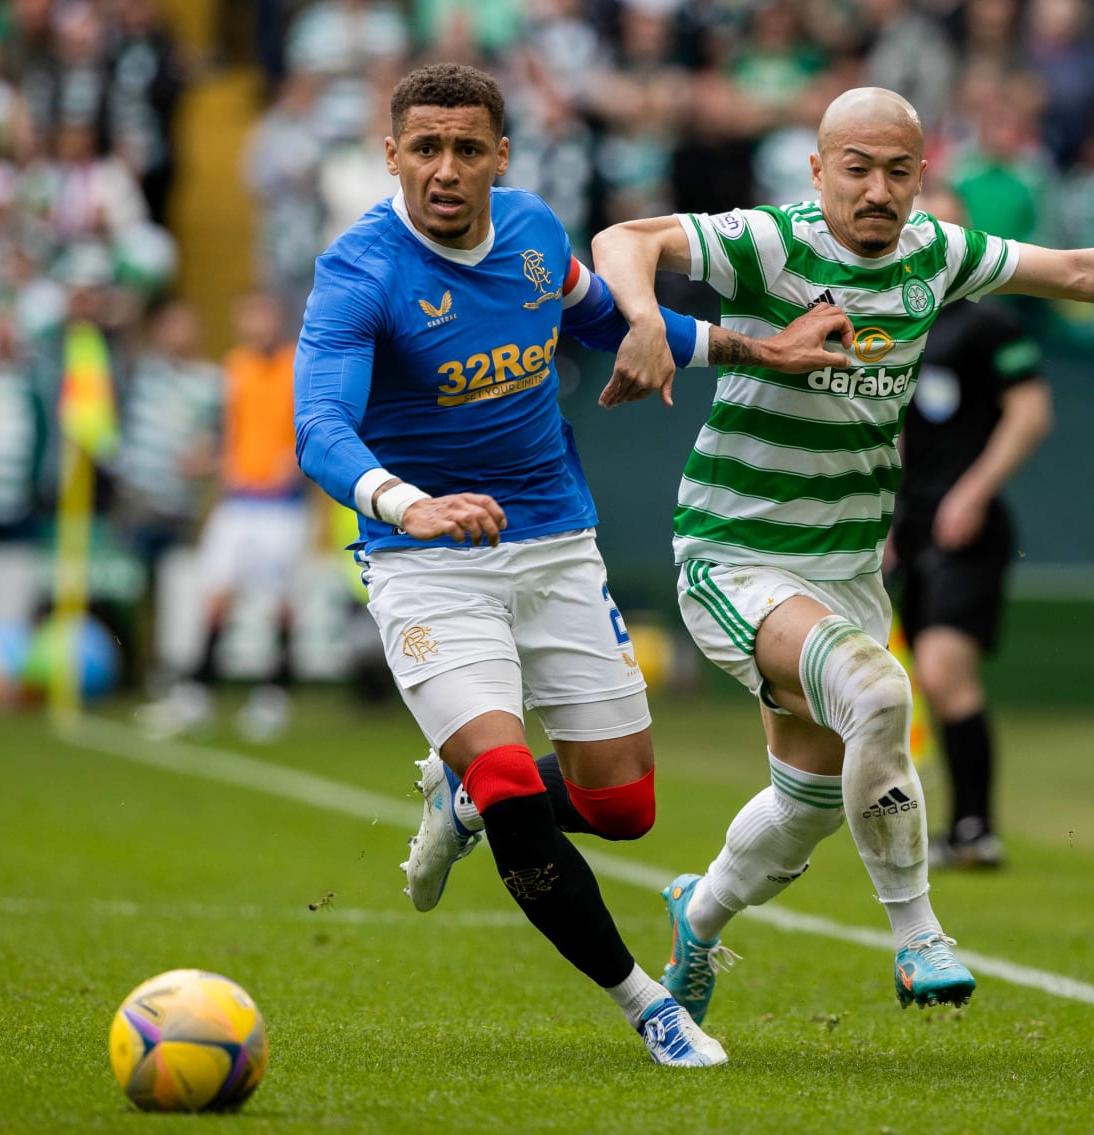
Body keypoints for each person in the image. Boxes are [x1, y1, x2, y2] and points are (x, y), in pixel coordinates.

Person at [588, 85, 1094, 1024]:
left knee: (808, 800)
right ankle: (919, 934)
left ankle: (699, 915)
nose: (878, 189)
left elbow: (1084, 273)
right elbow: (624, 240)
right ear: (818, 171)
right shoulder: (773, 241)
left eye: (898, 171)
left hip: (847, 569)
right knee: (886, 692)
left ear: (922, 176)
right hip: (736, 554)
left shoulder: (938, 253)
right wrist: (645, 316)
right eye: (856, 168)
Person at [291, 63, 851, 1069]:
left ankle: (459, 801)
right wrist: (408, 503)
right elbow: (320, 425)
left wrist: (764, 349)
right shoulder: (360, 271)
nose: (447, 169)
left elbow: (605, 320)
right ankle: (649, 1005)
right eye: (426, 148)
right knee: (511, 778)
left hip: (554, 543)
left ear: (503, 156)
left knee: (621, 807)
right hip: (426, 560)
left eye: (469, 148)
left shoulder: (537, 231)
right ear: (392, 157)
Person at [890, 187, 1052, 871]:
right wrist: (885, 512)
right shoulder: (893, 319)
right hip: (912, 523)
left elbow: (1032, 413)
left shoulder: (990, 324)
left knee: (944, 665)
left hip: (969, 523)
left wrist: (974, 490)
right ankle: (958, 828)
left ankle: (978, 826)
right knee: (919, 678)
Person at [141, 292, 304, 744]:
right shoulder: (235, 369)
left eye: (264, 316)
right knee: (216, 595)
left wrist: (297, 459)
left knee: (280, 602)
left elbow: (316, 424)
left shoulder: (298, 364)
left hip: (281, 506)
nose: (257, 326)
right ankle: (197, 692)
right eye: (250, 317)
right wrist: (206, 459)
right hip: (238, 501)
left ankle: (274, 695)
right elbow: (226, 430)